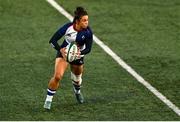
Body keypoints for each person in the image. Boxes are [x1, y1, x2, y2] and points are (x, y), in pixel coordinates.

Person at [44, 6, 93, 110]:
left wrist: (79, 53)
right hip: (64, 53)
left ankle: (77, 92)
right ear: (77, 21)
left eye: (87, 20)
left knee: (77, 80)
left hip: (78, 55)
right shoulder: (67, 27)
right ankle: (48, 100)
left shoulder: (88, 32)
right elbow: (52, 40)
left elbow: (88, 49)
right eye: (84, 20)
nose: (86, 22)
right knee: (57, 76)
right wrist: (60, 49)